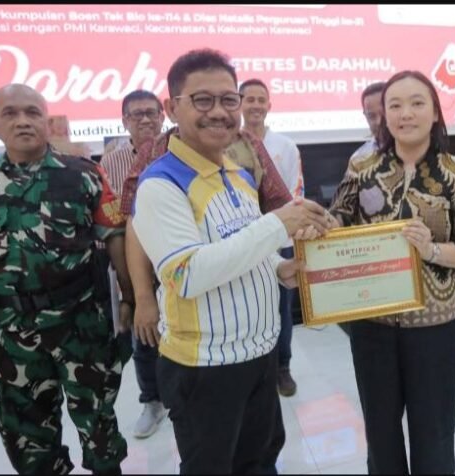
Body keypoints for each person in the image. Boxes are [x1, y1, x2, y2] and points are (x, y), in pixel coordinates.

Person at [130, 48, 332, 474]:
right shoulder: (160, 185)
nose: (219, 112)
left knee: (260, 460)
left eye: (228, 100)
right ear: (172, 108)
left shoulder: (238, 176)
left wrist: (280, 269)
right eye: (202, 100)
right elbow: (187, 274)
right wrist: (278, 224)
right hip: (205, 368)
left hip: (259, 355)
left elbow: (245, 249)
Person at [0, 84, 133, 475]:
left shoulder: (83, 175)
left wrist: (130, 299)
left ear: (46, 121)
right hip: (14, 332)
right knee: (28, 440)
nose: (23, 121)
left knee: (100, 429)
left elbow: (116, 240)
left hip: (82, 324)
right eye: (10, 114)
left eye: (32, 112)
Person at [328, 70, 455, 474]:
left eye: (417, 103)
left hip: (435, 328)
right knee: (380, 432)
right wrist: (318, 230)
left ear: (435, 112)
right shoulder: (361, 165)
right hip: (372, 324)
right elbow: (339, 218)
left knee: (434, 433)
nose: (405, 113)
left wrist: (430, 250)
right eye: (394, 105)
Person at [100, 89, 169, 439]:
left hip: (178, 258)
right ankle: (152, 401)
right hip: (134, 262)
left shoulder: (178, 149)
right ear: (124, 120)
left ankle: (183, 398)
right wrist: (129, 291)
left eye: (151, 113)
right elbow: (112, 224)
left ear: (163, 116)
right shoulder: (110, 162)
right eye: (136, 114)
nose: (145, 120)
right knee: (144, 337)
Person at [240, 77, 304, 397]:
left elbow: (295, 193)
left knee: (281, 310)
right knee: (250, 308)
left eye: (260, 99)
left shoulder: (285, 146)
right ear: (239, 104)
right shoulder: (230, 146)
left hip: (281, 241)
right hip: (243, 243)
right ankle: (256, 372)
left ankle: (283, 367)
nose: (255, 105)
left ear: (269, 105)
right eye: (249, 99)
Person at [350, 81, 386, 162]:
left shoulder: (414, 150)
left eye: (384, 114)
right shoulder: (359, 160)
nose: (379, 122)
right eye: (371, 116)